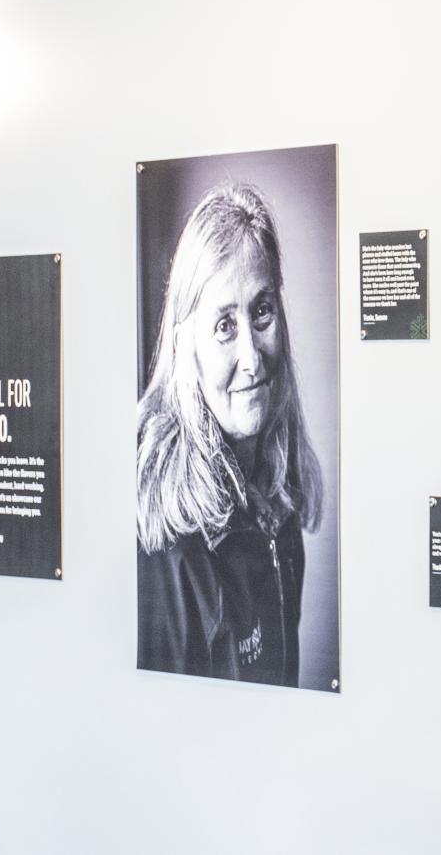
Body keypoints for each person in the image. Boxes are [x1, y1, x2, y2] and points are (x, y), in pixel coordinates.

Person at [136, 181, 325, 687]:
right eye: (224, 326)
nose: (252, 357)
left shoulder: (278, 500)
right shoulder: (160, 534)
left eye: (261, 311)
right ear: (187, 347)